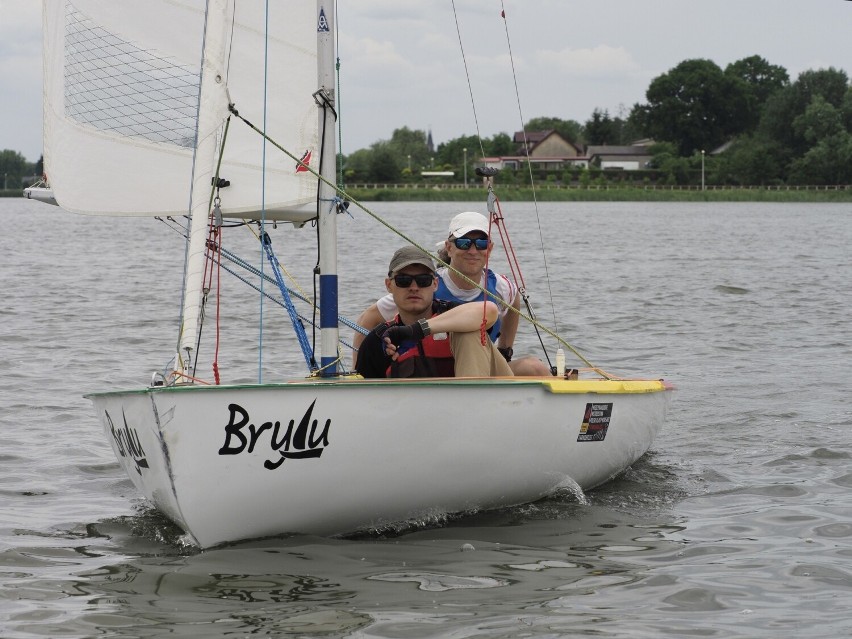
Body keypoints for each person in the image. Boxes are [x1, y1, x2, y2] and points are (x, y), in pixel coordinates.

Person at [354, 211, 551, 376]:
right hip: (436, 366)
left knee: (534, 367)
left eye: (481, 243)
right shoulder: (421, 290)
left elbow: (506, 304)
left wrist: (505, 349)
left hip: (478, 362)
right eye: (464, 243)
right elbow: (367, 318)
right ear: (449, 247)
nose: (473, 250)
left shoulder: (501, 286)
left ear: (489, 248)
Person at [355, 246, 513, 378]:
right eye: (403, 281)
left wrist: (414, 331)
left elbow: (489, 310)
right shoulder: (378, 341)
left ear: (435, 284)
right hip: (411, 410)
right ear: (389, 285)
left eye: (423, 280)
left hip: (484, 403)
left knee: (468, 331)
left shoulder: (453, 314)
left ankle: (470, 406)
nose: (414, 287)